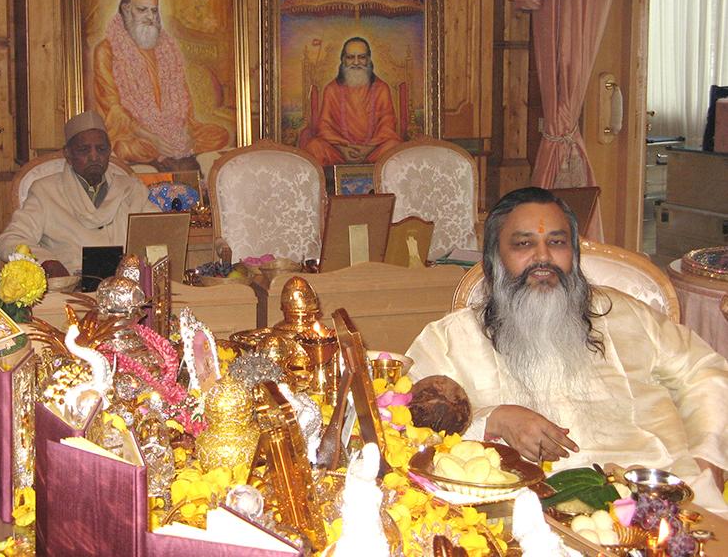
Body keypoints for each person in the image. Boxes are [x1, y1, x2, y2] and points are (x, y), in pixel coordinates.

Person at [406, 187, 728, 514]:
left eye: (557, 243)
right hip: (528, 513)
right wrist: (494, 420)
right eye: (523, 244)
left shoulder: (627, 314)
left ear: (573, 252)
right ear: (494, 257)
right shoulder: (452, 338)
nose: (543, 257)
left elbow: (705, 372)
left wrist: (709, 456)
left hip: (662, 497)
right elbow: (406, 418)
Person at [0, 111, 159, 276]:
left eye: (101, 149)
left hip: (128, 288)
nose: (94, 156)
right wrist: (46, 262)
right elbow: (9, 240)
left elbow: (162, 232)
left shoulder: (131, 189)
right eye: (84, 150)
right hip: (71, 292)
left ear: (109, 151)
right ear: (68, 154)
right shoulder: (45, 191)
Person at [93, 0, 229, 172]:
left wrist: (186, 133)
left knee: (219, 134)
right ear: (126, 9)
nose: (150, 17)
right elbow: (113, 111)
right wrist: (153, 138)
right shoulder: (105, 51)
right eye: (142, 10)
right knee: (124, 148)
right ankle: (166, 152)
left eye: (154, 11)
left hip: (172, 130)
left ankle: (173, 150)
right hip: (136, 134)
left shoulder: (167, 49)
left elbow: (184, 103)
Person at [303, 37, 402, 165]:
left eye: (361, 57)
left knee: (395, 146)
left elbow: (387, 125)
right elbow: (324, 126)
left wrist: (367, 150)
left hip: (373, 151)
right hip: (340, 151)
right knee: (314, 146)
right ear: (343, 60)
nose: (356, 62)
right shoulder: (332, 89)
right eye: (350, 57)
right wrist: (343, 149)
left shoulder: (381, 88)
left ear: (369, 59)